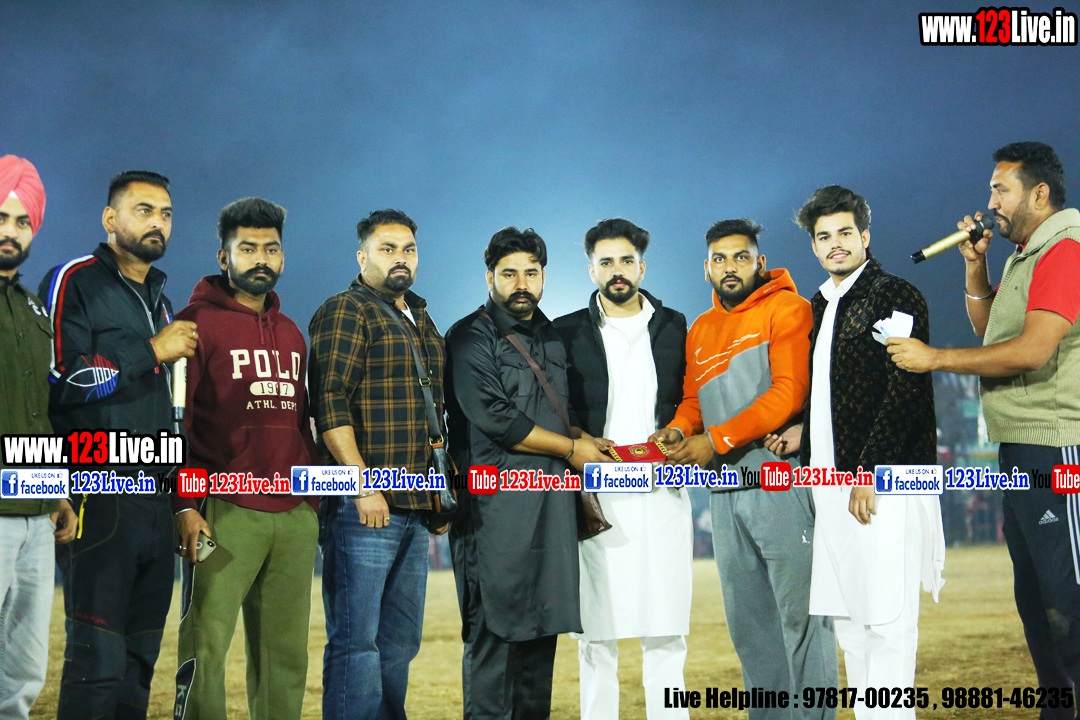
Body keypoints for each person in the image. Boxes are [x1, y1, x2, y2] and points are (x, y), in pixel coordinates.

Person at [887, 141, 1080, 714]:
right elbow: (992, 332)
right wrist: (976, 265)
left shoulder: (1064, 250)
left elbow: (1032, 350)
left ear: (1039, 194)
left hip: (1058, 447)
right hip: (1021, 447)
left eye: (1001, 189)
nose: (990, 201)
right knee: (1037, 602)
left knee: (1068, 602)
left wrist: (934, 359)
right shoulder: (1027, 254)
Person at [650, 218, 837, 719]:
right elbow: (694, 401)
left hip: (781, 484)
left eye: (740, 256)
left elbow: (788, 393)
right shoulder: (701, 328)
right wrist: (678, 429)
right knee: (752, 631)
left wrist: (714, 440)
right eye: (719, 259)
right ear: (706, 268)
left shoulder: (788, 308)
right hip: (724, 492)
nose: (729, 267)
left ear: (759, 261)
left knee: (803, 623)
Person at [40, 170, 195, 720]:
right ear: (110, 218)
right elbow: (61, 378)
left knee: (139, 664)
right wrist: (151, 350)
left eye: (166, 214)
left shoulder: (163, 303)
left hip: (154, 502)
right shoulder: (74, 280)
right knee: (97, 660)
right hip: (96, 493)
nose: (158, 222)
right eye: (144, 210)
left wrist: (180, 502)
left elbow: (170, 419)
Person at [445, 227, 611, 719]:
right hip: (494, 514)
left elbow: (556, 412)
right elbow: (497, 418)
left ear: (543, 277)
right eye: (509, 273)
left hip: (551, 512)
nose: (522, 284)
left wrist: (583, 438)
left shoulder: (550, 335)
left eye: (531, 273)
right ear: (489, 277)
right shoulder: (470, 336)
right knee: (494, 639)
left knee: (542, 637)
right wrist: (572, 449)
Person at [794, 185, 944, 719]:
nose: (835, 244)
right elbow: (827, 394)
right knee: (851, 621)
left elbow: (904, 390)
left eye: (845, 233)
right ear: (814, 246)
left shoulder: (894, 294)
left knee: (888, 620)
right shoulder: (819, 304)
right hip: (829, 483)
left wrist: (870, 472)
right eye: (824, 236)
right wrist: (802, 436)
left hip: (885, 482)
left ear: (865, 236)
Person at [171, 197, 317, 719]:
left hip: (293, 513)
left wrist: (311, 505)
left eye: (271, 249)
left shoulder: (292, 333)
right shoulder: (194, 324)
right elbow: (177, 424)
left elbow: (301, 423)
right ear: (224, 256)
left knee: (285, 656)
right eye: (248, 248)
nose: (261, 258)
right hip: (224, 510)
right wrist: (184, 504)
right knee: (205, 647)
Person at [552, 218, 693, 719]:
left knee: (667, 629)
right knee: (596, 635)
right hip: (597, 500)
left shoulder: (674, 325)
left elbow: (690, 398)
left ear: (642, 267)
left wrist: (679, 431)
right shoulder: (565, 331)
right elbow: (555, 407)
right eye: (606, 261)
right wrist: (577, 437)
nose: (617, 270)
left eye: (626, 261)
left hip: (663, 494)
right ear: (591, 269)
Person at [308, 208, 446, 720]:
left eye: (408, 249)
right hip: (364, 504)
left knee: (400, 642)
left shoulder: (421, 317)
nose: (400, 258)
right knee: (356, 642)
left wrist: (438, 494)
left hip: (414, 503)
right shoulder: (346, 310)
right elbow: (330, 402)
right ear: (362, 257)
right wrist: (362, 485)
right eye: (387, 249)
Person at [0, 155, 77, 719]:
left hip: (33, 513)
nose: (11, 231)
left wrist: (58, 490)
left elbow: (41, 413)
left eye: (22, 221)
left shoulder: (33, 310)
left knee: (24, 667)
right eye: (2, 218)